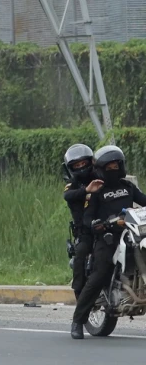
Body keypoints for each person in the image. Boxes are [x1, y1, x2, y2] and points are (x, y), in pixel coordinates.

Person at [71, 145, 146, 339]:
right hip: (107, 237)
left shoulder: (128, 187)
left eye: (116, 166)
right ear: (102, 168)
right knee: (100, 274)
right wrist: (97, 224)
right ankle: (78, 321)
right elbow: (87, 217)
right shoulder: (97, 189)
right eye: (109, 166)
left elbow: (144, 201)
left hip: (131, 233)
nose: (113, 169)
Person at [62, 144, 103, 300]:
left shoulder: (99, 176)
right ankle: (79, 293)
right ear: (71, 168)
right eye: (77, 165)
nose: (81, 167)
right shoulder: (72, 184)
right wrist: (87, 190)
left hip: (104, 224)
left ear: (90, 162)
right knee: (81, 253)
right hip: (85, 231)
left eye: (83, 163)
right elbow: (68, 196)